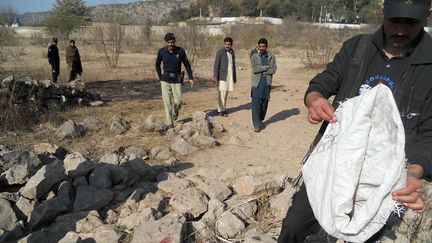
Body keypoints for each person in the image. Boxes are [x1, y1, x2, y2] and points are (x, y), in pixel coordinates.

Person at [278, 0, 432, 242]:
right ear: (383, 10)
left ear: (427, 15)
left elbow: (429, 135)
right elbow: (322, 82)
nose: (401, 29)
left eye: (411, 22)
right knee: (295, 228)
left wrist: (413, 173)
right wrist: (315, 100)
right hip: (333, 164)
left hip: (387, 180)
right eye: (395, 20)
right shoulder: (357, 47)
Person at [155, 33, 195, 128]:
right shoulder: (161, 52)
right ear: (166, 42)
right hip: (165, 80)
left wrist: (191, 78)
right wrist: (160, 77)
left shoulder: (180, 51)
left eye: (172, 42)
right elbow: (157, 64)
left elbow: (187, 64)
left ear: (174, 42)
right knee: (167, 102)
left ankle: (175, 111)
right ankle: (170, 123)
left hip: (177, 79)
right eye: (168, 42)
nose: (170, 44)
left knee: (179, 101)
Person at [250, 38, 277, 132]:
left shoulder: (271, 56)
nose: (262, 48)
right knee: (256, 103)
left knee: (264, 103)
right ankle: (256, 125)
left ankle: (260, 119)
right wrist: (265, 68)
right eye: (260, 46)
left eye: (263, 46)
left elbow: (273, 69)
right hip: (256, 83)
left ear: (266, 47)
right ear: (258, 46)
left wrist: (263, 71)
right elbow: (255, 69)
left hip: (267, 83)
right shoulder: (254, 56)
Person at [213, 37, 237, 117]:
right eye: (226, 44)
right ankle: (221, 110)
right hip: (222, 75)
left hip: (229, 75)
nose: (227, 46)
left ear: (231, 45)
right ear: (224, 44)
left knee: (226, 92)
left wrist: (234, 77)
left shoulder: (231, 52)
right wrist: (215, 76)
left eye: (229, 44)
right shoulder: (220, 52)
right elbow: (216, 64)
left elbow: (233, 65)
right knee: (222, 92)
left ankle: (223, 108)